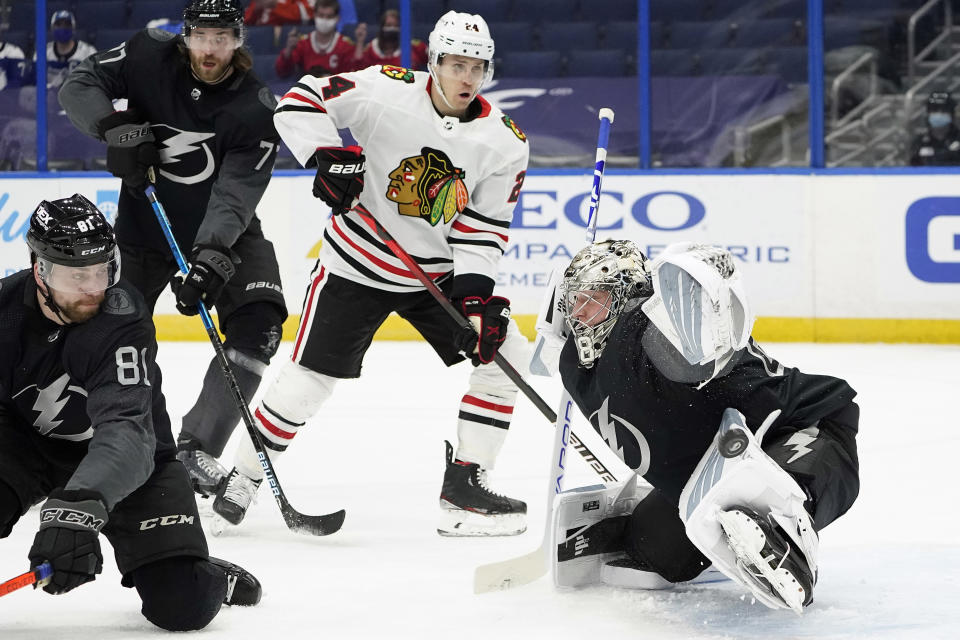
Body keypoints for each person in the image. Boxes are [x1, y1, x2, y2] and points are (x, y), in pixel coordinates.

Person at [212, 10, 531, 537]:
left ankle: (465, 485)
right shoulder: (386, 89)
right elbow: (301, 98)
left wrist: (475, 300)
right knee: (307, 384)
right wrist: (327, 156)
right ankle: (242, 477)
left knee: (505, 358)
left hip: (435, 273)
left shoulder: (505, 141)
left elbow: (482, 228)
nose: (466, 78)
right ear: (434, 62)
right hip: (356, 262)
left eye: (476, 67)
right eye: (455, 64)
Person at [57, 0, 288, 500]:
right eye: (202, 37)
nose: (211, 49)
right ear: (185, 37)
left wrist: (209, 256)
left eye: (222, 38)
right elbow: (79, 83)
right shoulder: (146, 55)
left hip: (224, 235)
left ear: (239, 41)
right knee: (110, 336)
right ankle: (115, 442)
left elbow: (234, 197)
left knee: (261, 322)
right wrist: (111, 127)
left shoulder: (254, 108)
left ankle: (195, 449)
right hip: (144, 233)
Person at [551, 239, 860, 611]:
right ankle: (739, 531)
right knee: (655, 553)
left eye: (594, 299)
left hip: (801, 426)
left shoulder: (651, 333)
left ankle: (789, 533)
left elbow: (695, 312)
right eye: (576, 301)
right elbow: (548, 339)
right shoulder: (576, 364)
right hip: (708, 473)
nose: (580, 313)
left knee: (780, 486)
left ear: (628, 296)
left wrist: (689, 280)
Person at [0, 194, 261, 630]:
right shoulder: (5, 313)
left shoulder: (121, 319)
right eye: (75, 274)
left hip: (135, 463)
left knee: (183, 605)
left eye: (101, 270)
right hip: (26, 445)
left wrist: (74, 510)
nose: (92, 288)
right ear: (39, 270)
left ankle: (194, 562)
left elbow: (126, 434)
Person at [275, 0, 356, 79]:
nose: (324, 20)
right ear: (314, 15)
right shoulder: (303, 43)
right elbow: (282, 72)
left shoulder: (346, 46)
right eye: (321, 15)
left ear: (337, 18)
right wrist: (288, 50)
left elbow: (350, 77)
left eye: (329, 17)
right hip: (308, 90)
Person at [352, 8, 427, 71]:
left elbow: (435, 59)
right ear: (382, 28)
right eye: (389, 25)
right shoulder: (371, 48)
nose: (392, 29)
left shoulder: (414, 47)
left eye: (396, 26)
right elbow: (358, 68)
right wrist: (360, 41)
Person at [40, 10, 96, 89]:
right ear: (52, 28)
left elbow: (96, 81)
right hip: (49, 97)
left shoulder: (87, 51)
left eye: (67, 24)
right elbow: (36, 80)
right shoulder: (43, 51)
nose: (62, 28)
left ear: (73, 28)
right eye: (58, 24)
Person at [909, 91, 960, 166]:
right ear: (928, 113)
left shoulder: (958, 138)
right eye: (934, 110)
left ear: (951, 114)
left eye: (943, 111)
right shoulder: (920, 142)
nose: (939, 114)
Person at [245, 0, 315, 26]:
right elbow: (245, 20)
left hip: (289, 33)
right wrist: (256, 9)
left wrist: (276, 6)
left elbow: (306, 14)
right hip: (263, 37)